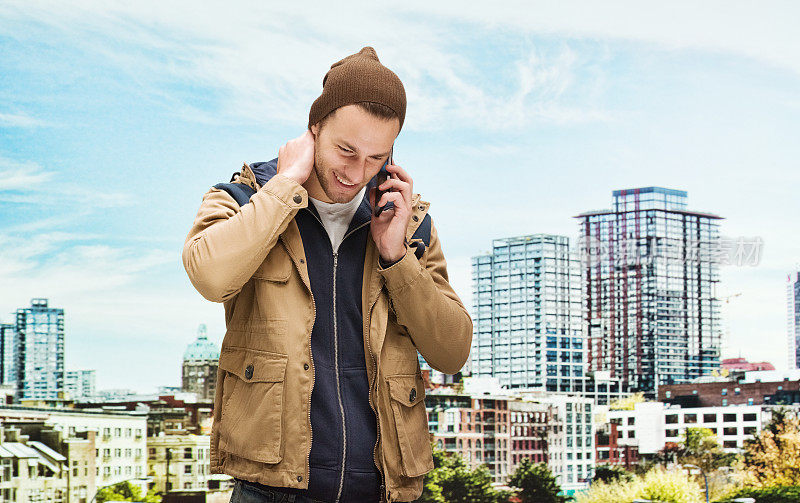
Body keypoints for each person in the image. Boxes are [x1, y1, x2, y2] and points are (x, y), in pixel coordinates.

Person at [182, 46, 472, 503]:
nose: (357, 174)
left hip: (383, 492)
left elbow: (452, 352)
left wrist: (397, 257)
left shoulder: (410, 225)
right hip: (270, 491)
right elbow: (208, 276)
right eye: (345, 150)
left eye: (376, 158)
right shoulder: (244, 198)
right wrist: (283, 188)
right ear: (314, 127)